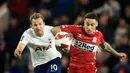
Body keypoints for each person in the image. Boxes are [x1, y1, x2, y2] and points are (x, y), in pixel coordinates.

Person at [51, 12, 127, 73]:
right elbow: (54, 29)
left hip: (90, 69)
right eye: (87, 24)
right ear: (84, 23)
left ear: (96, 24)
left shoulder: (99, 35)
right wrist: (64, 37)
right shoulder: (75, 29)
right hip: (74, 68)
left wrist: (116, 53)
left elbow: (104, 45)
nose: (89, 27)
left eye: (92, 25)